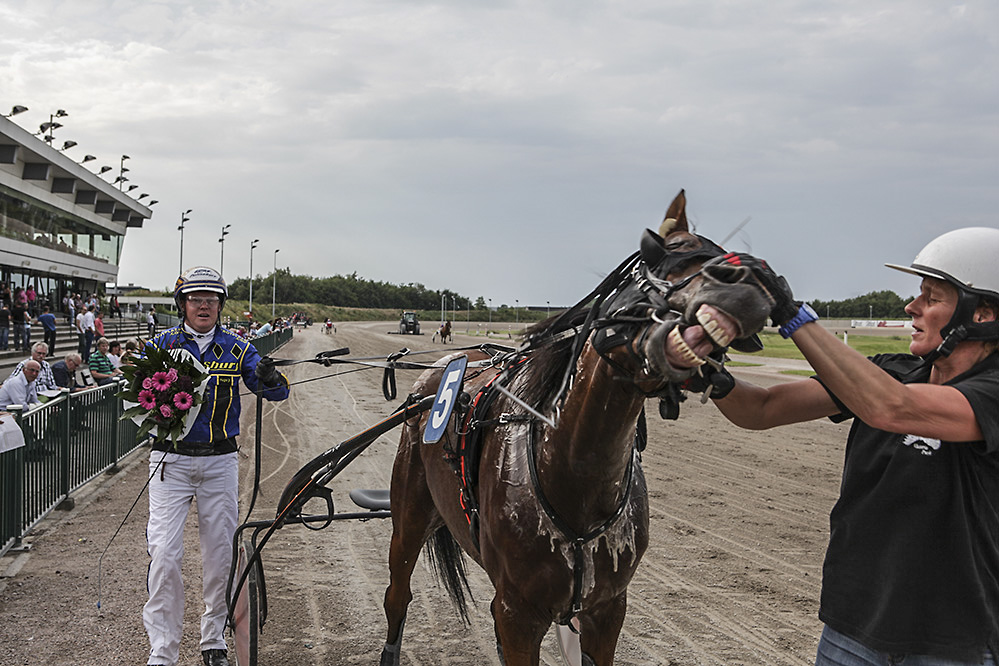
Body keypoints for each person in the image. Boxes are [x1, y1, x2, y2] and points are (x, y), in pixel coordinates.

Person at [668, 228, 999, 666]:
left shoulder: (988, 391)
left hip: (954, 643)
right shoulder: (893, 372)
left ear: (982, 315)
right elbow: (764, 408)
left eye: (931, 298)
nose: (911, 307)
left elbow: (890, 408)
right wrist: (706, 374)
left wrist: (791, 314)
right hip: (852, 627)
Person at [142, 266, 289, 666]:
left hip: (220, 462)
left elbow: (277, 392)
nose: (203, 305)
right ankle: (162, 650)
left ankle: (213, 640)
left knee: (220, 554)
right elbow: (136, 395)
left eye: (210, 299)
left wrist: (269, 374)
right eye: (195, 299)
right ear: (182, 304)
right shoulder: (160, 346)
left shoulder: (238, 348)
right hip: (169, 462)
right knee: (165, 553)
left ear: (220, 306)